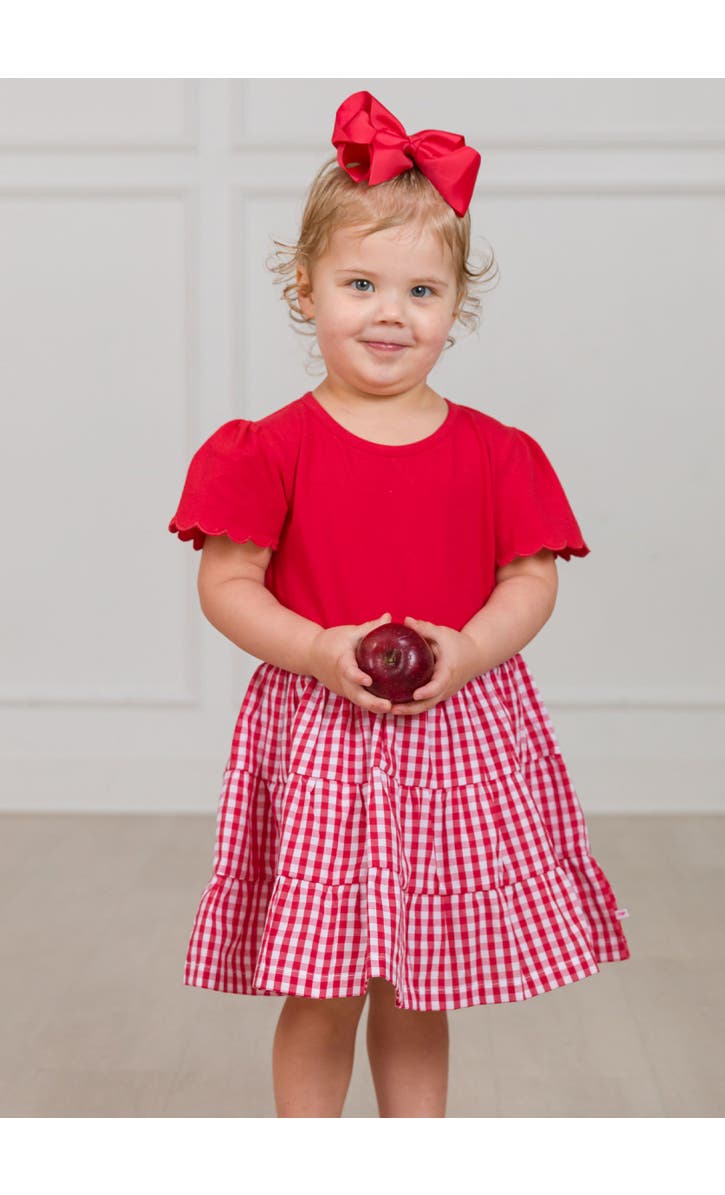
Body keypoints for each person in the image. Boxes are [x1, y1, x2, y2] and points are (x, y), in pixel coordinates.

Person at [167, 89, 630, 1118]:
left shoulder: (498, 454)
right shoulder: (270, 447)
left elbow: (531, 576)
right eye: (362, 282)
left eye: (422, 291)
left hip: (456, 732)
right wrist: (316, 645)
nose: (390, 311)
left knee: (420, 980)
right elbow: (227, 580)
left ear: (457, 305)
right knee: (325, 981)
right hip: (323, 733)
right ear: (306, 286)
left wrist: (467, 650)